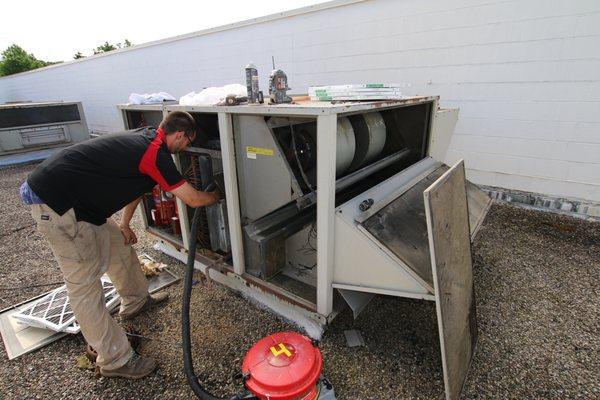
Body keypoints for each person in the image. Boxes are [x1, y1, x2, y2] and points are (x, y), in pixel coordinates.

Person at [19, 111, 219, 379]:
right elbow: (193, 200)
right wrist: (218, 194)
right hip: (57, 204)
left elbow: (137, 185)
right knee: (84, 285)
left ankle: (136, 302)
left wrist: (125, 224)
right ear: (180, 135)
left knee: (119, 246)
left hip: (82, 203)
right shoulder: (156, 154)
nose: (184, 149)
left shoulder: (149, 138)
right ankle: (114, 359)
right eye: (185, 143)